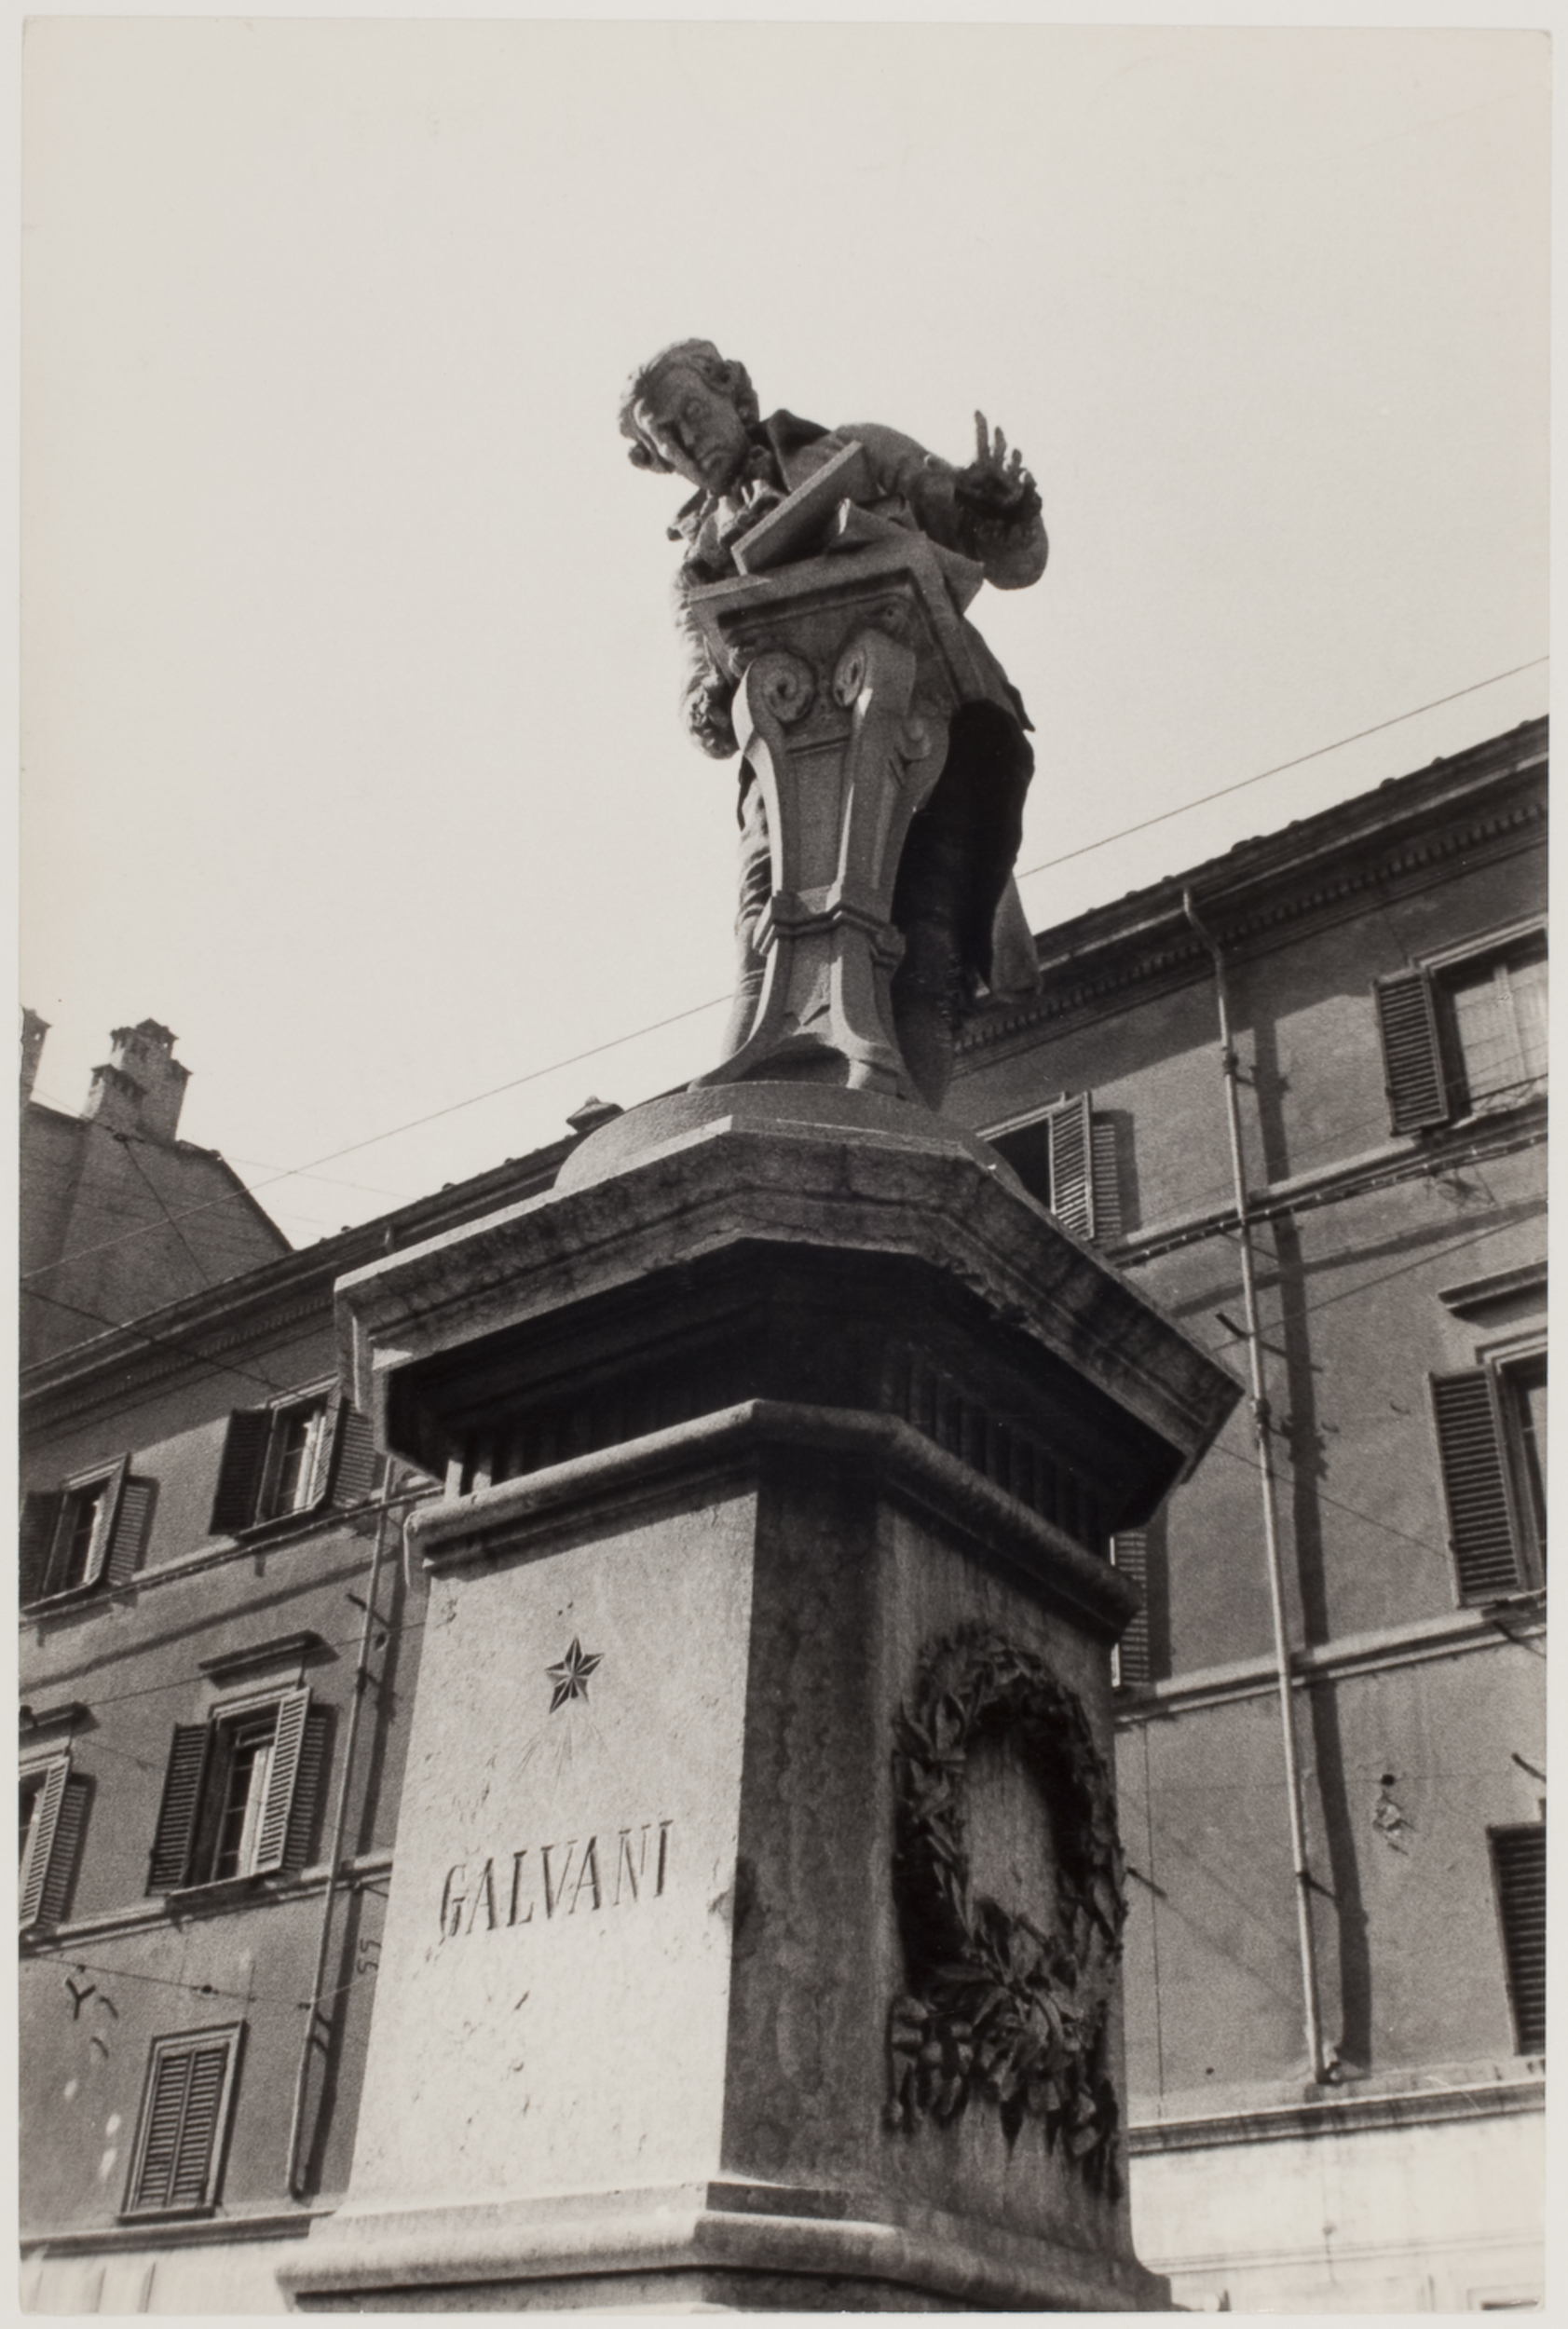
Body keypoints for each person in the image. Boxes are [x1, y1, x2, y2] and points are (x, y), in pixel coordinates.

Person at [620, 339, 1046, 1106]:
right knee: (765, 926)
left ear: (736, 398)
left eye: (693, 413)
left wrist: (1000, 508)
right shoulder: (699, 560)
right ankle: (751, 1103)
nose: (688, 441)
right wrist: (708, 695)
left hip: (933, 725)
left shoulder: (856, 451)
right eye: (667, 440)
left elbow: (1009, 562)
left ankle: (906, 1119)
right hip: (789, 772)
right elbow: (707, 715)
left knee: (928, 928)